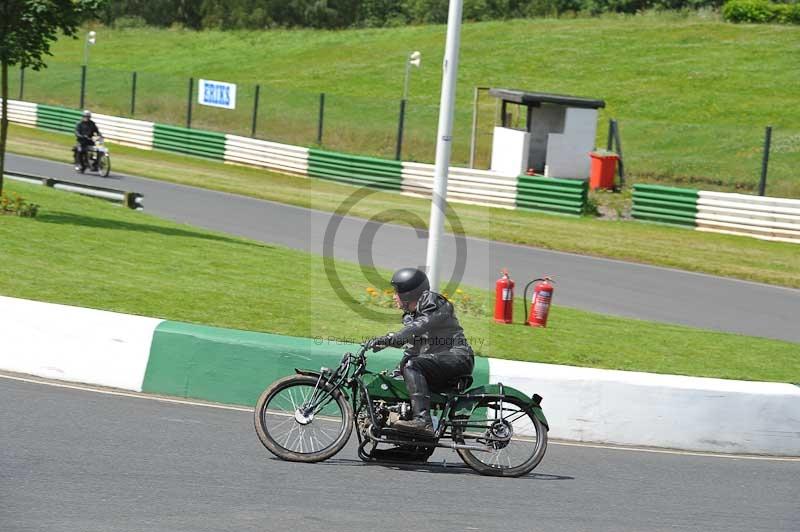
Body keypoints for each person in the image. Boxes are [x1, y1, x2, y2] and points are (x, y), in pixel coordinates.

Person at [370, 268, 474, 437]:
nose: (394, 297)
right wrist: (396, 374)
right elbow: (412, 349)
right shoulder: (412, 316)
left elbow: (420, 325)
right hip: (439, 360)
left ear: (408, 294)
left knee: (412, 365)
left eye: (397, 292)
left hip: (457, 357)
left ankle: (423, 421)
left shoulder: (433, 302)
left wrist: (392, 339)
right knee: (404, 372)